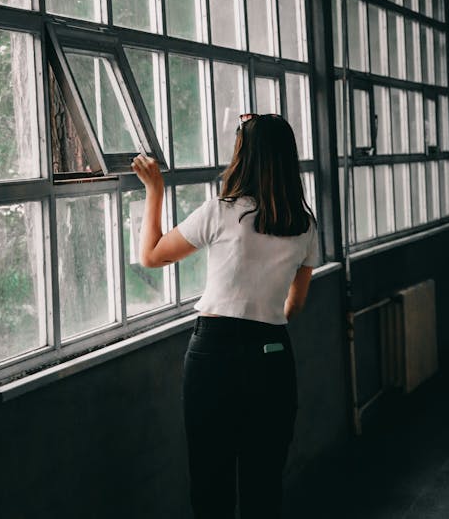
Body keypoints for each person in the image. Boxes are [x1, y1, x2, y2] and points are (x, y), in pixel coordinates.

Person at [132, 113, 318, 519]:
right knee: (263, 485)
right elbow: (295, 304)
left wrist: (155, 190)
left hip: (213, 355)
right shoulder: (304, 224)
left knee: (210, 483)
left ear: (243, 157)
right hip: (272, 355)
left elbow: (150, 256)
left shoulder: (222, 211)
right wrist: (265, 318)